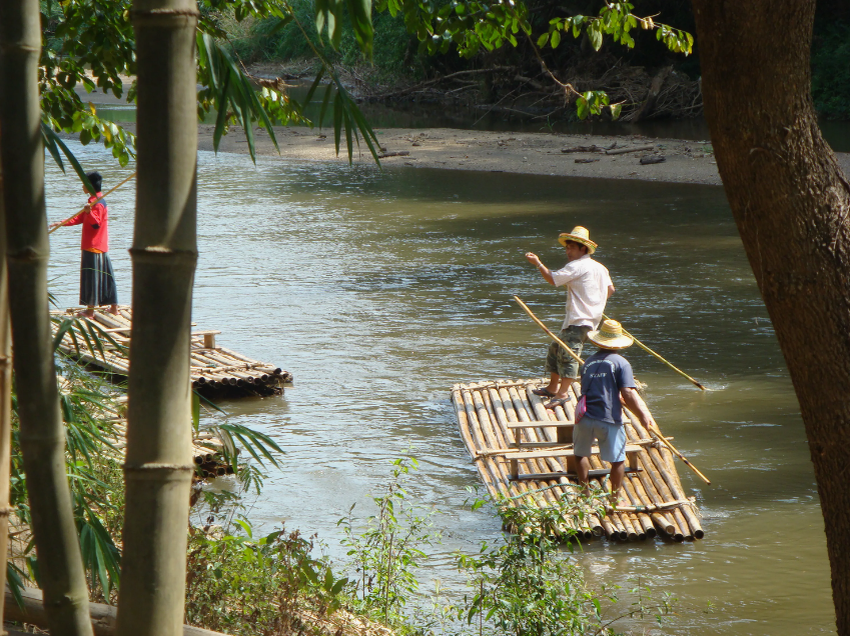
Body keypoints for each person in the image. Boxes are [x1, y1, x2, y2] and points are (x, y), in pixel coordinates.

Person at [524, 226, 614, 410]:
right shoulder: (600, 268)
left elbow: (553, 279)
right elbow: (610, 290)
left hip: (580, 319)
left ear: (583, 248)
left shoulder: (578, 265)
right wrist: (595, 302)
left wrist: (538, 264)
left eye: (571, 248)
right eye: (567, 248)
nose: (568, 252)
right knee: (556, 348)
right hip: (590, 319)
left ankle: (562, 393)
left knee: (569, 355)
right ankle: (552, 387)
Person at [574, 319, 654, 502]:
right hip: (607, 416)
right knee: (618, 459)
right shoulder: (621, 363)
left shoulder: (587, 363)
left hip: (584, 416)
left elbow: (591, 388)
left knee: (581, 453)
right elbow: (628, 392)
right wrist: (643, 414)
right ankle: (614, 497)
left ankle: (584, 493)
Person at [50, 171, 119, 317]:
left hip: (93, 246)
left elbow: (96, 224)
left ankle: (90, 311)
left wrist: (89, 212)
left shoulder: (97, 203)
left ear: (90, 185)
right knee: (107, 276)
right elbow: (78, 218)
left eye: (84, 183)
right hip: (100, 245)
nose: (82, 186)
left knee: (92, 277)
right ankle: (114, 308)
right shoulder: (94, 200)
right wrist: (61, 223)